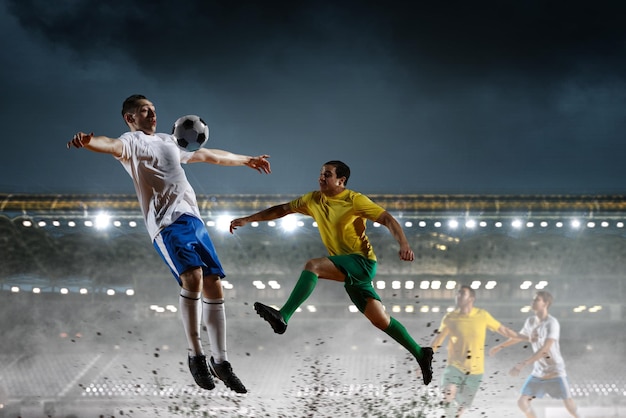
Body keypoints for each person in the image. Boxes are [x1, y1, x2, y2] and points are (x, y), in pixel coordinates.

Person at [67, 94, 271, 394]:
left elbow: (208, 155)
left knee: (214, 284)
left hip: (194, 220)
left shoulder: (170, 140)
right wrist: (89, 141)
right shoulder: (131, 143)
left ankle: (221, 361)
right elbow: (109, 144)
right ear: (130, 118)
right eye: (144, 111)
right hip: (166, 224)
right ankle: (195, 354)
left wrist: (245, 160)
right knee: (194, 278)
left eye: (153, 110)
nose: (151, 114)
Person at [229, 160, 434, 385]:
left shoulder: (354, 200)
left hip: (362, 262)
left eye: (327, 174)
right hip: (350, 269)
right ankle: (420, 353)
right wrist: (249, 219)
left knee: (313, 265)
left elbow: (386, 219)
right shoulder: (313, 199)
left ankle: (283, 316)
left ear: (341, 180)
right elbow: (283, 209)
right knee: (380, 320)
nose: (321, 178)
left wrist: (404, 244)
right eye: (320, 174)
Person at [430, 285, 521, 417]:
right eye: (458, 293)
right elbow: (437, 340)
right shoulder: (450, 317)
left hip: (475, 371)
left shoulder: (482, 315)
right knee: (449, 392)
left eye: (462, 294)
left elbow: (504, 330)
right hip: (455, 365)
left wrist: (522, 337)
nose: (458, 296)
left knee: (461, 408)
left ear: (471, 298)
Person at [489, 291, 581, 418]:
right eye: (533, 300)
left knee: (568, 401)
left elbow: (545, 349)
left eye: (536, 300)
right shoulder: (530, 321)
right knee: (522, 402)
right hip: (539, 371)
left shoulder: (552, 323)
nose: (532, 302)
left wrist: (523, 364)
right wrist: (500, 346)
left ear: (546, 303)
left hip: (555, 370)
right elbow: (519, 337)